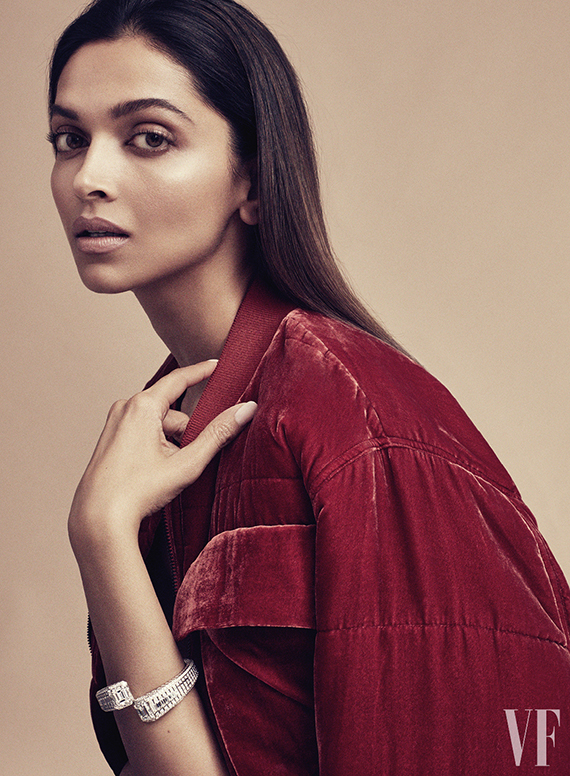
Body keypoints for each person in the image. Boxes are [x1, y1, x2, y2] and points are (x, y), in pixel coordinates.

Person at [48, 0, 570, 773]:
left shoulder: (355, 413)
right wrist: (104, 539)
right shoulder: (158, 435)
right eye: (69, 139)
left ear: (254, 180)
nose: (89, 178)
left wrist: (100, 536)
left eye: (148, 137)